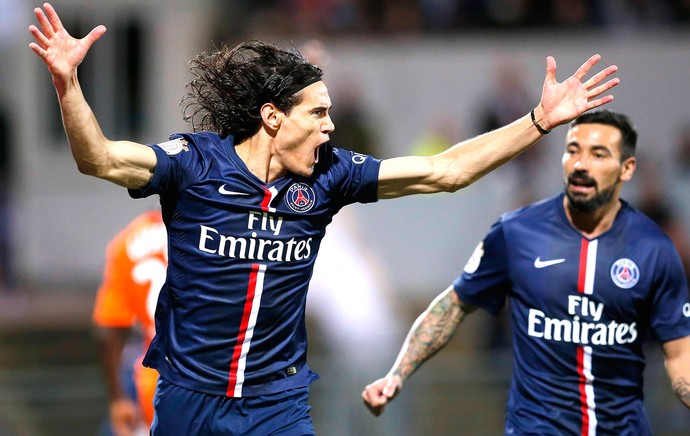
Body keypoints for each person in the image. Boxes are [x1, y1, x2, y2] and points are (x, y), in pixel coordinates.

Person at [28, 3, 619, 434]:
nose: (332, 126)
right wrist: (67, 83)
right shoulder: (194, 165)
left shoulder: (330, 174)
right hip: (189, 400)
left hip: (276, 403)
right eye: (319, 112)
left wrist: (539, 121)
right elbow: (98, 158)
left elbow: (445, 171)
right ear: (272, 117)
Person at [362, 110, 690, 435]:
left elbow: (679, 353)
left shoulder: (654, 248)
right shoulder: (516, 233)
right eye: (573, 150)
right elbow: (455, 304)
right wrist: (397, 374)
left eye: (598, 154)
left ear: (626, 168)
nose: (580, 164)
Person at [92, 210, 166, 436]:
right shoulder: (226, 231)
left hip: (157, 384)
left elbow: (108, 330)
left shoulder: (130, 238)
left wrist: (118, 400)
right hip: (221, 381)